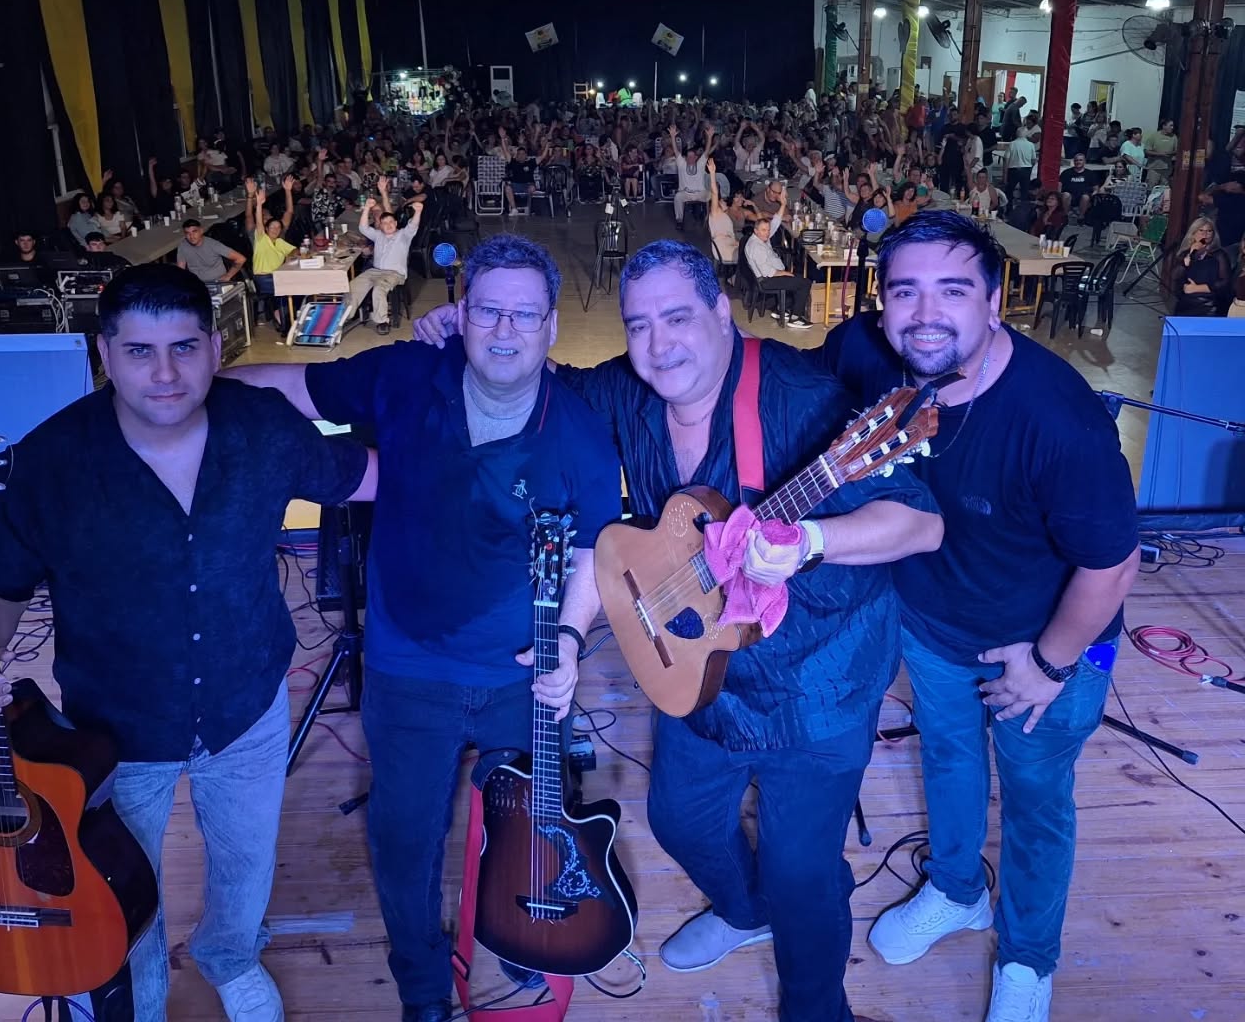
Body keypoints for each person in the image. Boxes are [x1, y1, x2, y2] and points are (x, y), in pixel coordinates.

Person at [412, 239, 943, 1022]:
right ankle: (744, 910)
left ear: (722, 313)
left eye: (677, 318)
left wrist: (811, 541)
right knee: (679, 820)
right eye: (639, 325)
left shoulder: (804, 400)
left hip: (816, 685)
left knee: (802, 877)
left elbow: (921, 524)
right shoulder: (630, 391)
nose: (659, 345)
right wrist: (473, 333)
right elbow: (545, 382)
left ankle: (814, 1003)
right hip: (699, 674)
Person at [0, 264, 377, 1022]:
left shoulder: (264, 426)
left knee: (244, 860)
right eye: (140, 351)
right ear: (104, 354)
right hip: (111, 730)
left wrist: (470, 456)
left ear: (215, 348)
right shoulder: (49, 463)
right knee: (114, 882)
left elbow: (361, 476)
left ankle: (230, 955)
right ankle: (135, 999)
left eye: (184, 347)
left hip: (247, 703)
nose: (165, 374)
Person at [226, 235, 622, 1022]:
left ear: (551, 327)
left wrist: (572, 644)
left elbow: (592, 552)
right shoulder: (405, 375)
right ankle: (422, 989)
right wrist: (197, 384)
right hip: (407, 672)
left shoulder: (580, 434)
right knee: (404, 842)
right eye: (488, 311)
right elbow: (291, 386)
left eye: (524, 315)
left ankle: (522, 940)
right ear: (460, 314)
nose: (504, 331)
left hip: (524, 678)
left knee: (528, 831)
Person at [812, 211, 1140, 1022]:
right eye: (905, 291)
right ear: (882, 301)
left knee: (1035, 801)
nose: (925, 314)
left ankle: (1028, 959)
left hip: (1045, 647)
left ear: (995, 302)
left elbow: (1112, 565)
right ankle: (958, 891)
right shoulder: (864, 352)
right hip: (933, 624)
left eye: (953, 291)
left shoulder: (1056, 419)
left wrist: (1050, 664)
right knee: (951, 759)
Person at [348, 176, 420, 334]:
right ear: (380, 225)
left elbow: (413, 225)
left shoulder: (403, 235)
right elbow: (363, 228)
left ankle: (382, 321)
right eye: (384, 223)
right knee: (353, 286)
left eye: (391, 222)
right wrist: (367, 208)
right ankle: (346, 316)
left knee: (379, 289)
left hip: (394, 274)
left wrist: (418, 212)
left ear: (396, 224)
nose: (388, 225)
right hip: (375, 271)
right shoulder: (378, 235)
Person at [744, 204, 814, 329]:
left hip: (768, 275)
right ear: (756, 231)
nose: (767, 233)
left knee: (796, 277)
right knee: (804, 283)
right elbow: (768, 272)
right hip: (766, 280)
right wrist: (785, 273)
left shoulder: (760, 238)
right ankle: (796, 318)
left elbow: (775, 223)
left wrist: (783, 204)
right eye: (764, 230)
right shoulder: (756, 247)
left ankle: (782, 309)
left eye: (768, 230)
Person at [244, 176, 297, 332]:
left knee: (298, 285)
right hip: (265, 276)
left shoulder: (279, 238)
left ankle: (289, 317)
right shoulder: (259, 236)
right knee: (287, 289)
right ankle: (282, 319)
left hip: (279, 273)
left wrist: (288, 191)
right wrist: (254, 200)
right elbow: (251, 217)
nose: (272, 226)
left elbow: (289, 212)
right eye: (264, 219)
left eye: (270, 218)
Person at [1170, 217, 1233, 316]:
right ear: (1193, 233)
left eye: (1209, 231)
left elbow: (1225, 282)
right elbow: (1175, 276)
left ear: (1213, 234)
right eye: (1201, 230)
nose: (1205, 234)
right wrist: (1188, 257)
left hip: (1210, 304)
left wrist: (1199, 288)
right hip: (1187, 303)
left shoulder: (1219, 254)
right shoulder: (1186, 253)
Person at [670, 121, 713, 229]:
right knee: (678, 197)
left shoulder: (700, 164)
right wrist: (673, 137)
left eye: (691, 156)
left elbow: (707, 151)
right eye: (687, 156)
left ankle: (709, 218)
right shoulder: (682, 164)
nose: (689, 158)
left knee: (712, 195)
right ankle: (679, 220)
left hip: (700, 193)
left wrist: (709, 137)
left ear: (696, 157)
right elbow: (676, 151)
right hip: (686, 193)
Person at [176, 219, 245, 285]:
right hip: (198, 284)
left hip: (218, 282)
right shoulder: (183, 246)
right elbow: (180, 271)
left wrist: (228, 275)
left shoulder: (213, 245)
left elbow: (241, 259)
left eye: (194, 232)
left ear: (201, 231)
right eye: (188, 233)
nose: (191, 236)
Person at [1057, 154, 1095, 221]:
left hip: (1084, 197)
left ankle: (1081, 217)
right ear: (1074, 161)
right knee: (1066, 195)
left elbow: (1096, 188)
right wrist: (1059, 194)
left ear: (1084, 161)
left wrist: (1093, 196)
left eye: (1080, 160)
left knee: (1085, 197)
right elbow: (1059, 185)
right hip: (1069, 196)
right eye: (1076, 160)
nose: (1078, 162)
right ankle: (1065, 216)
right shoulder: (1066, 172)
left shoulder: (1090, 174)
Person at [1004, 129, 1037, 203]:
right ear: (1026, 134)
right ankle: (1023, 207)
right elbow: (1033, 160)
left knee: (1009, 190)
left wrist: (1005, 176)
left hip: (1013, 170)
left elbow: (1006, 160)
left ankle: (1009, 207)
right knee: (1024, 191)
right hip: (1026, 170)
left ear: (1016, 134)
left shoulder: (1012, 144)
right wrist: (1029, 168)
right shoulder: (1031, 145)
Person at [1144, 119, 1178, 189]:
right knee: (1151, 187)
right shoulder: (1154, 136)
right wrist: (1159, 154)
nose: (1172, 127)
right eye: (1170, 125)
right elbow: (1146, 151)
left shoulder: (1174, 137)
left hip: (1167, 168)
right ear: (1164, 126)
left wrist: (1171, 153)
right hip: (1154, 168)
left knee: (1164, 189)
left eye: (1173, 126)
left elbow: (1177, 150)